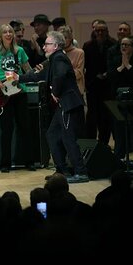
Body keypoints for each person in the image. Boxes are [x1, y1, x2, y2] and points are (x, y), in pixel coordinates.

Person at [16, 31, 89, 184]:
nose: (44, 47)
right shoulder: (53, 60)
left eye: (47, 44)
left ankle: (81, 172)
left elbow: (61, 75)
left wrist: (55, 92)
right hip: (63, 106)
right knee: (52, 135)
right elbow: (38, 76)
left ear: (55, 46)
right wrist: (18, 77)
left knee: (69, 138)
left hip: (69, 104)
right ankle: (62, 170)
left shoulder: (60, 58)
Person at [0, 23, 36, 172]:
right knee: (6, 130)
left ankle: (29, 161)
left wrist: (25, 76)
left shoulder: (20, 51)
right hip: (4, 93)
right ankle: (4, 163)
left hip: (20, 92)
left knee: (25, 128)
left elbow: (29, 71)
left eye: (10, 32)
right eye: (5, 32)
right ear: (1, 35)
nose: (8, 34)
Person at [106, 35, 133, 159]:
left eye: (126, 45)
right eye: (122, 44)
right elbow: (111, 77)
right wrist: (122, 67)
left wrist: (128, 66)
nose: (123, 47)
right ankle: (119, 157)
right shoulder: (116, 60)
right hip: (119, 100)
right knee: (119, 129)